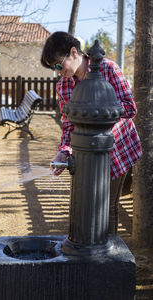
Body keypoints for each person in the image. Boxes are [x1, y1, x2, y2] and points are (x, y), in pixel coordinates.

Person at [41, 31, 142, 234]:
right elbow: (68, 124)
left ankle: (109, 256)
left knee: (107, 206)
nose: (58, 72)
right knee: (88, 204)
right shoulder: (63, 86)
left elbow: (130, 108)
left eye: (59, 65)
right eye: (54, 69)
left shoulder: (108, 69)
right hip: (86, 154)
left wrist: (98, 117)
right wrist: (63, 151)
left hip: (116, 148)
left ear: (73, 52)